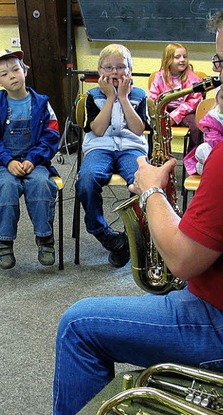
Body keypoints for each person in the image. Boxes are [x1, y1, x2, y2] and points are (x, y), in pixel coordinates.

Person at [52, 0, 223, 415]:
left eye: (222, 60)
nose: (215, 70)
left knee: (78, 324)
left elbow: (182, 261)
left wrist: (150, 190)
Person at [0, 49, 60, 269]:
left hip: (36, 162)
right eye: (4, 74)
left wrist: (34, 158)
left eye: (15, 69)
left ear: (25, 70)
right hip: (4, 164)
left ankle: (45, 238)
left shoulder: (42, 104)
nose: (12, 76)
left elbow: (51, 135)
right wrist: (7, 161)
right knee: (5, 185)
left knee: (42, 184)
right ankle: (4, 241)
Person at [76, 44, 148, 268]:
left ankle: (134, 236)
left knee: (142, 182)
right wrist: (109, 98)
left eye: (120, 67)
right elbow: (97, 130)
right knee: (87, 180)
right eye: (108, 67)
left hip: (131, 148)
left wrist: (124, 98)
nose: (115, 72)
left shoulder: (139, 94)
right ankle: (105, 234)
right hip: (100, 147)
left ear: (130, 70)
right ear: (99, 71)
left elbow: (138, 129)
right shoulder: (92, 96)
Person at [149, 43, 203, 151]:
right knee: (152, 125)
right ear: (168, 59)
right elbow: (154, 98)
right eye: (177, 57)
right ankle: (155, 155)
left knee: (197, 127)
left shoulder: (193, 78)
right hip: (164, 110)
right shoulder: (159, 77)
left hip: (186, 111)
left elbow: (193, 101)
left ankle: (192, 160)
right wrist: (164, 115)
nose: (182, 60)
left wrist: (175, 116)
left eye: (185, 56)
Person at [184, 87, 223, 175]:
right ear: (217, 100)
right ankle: (218, 170)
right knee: (202, 149)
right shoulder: (212, 118)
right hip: (217, 151)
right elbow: (214, 141)